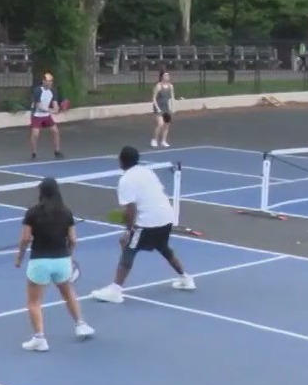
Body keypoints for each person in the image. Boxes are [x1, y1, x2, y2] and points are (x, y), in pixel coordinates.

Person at [91, 146, 195, 304]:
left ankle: (115, 290)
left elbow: (131, 209)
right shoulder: (147, 171)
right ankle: (186, 278)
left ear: (121, 161)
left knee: (129, 249)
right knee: (163, 248)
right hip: (167, 217)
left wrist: (128, 230)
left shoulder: (125, 180)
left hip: (148, 222)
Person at [14, 177, 95, 351]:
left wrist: (19, 258)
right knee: (69, 294)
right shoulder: (66, 212)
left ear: (41, 192)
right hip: (61, 261)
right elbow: (73, 240)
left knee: (34, 302)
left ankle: (39, 339)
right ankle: (81, 325)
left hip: (40, 262)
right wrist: (69, 257)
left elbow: (25, 238)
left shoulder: (32, 212)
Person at [29, 73, 63, 160]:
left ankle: (57, 151)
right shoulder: (38, 90)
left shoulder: (53, 91)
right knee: (35, 134)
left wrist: (56, 108)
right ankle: (34, 152)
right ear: (43, 81)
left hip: (47, 116)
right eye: (47, 81)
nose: (49, 83)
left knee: (55, 131)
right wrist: (50, 110)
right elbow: (38, 105)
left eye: (50, 81)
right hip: (37, 115)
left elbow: (55, 102)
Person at [150, 70, 175, 148]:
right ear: (162, 77)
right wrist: (157, 108)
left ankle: (164, 141)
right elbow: (154, 98)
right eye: (165, 75)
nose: (166, 77)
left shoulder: (171, 86)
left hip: (166, 108)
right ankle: (154, 140)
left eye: (168, 75)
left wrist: (173, 107)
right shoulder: (158, 86)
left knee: (167, 125)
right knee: (160, 124)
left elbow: (172, 97)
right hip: (159, 108)